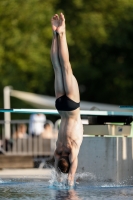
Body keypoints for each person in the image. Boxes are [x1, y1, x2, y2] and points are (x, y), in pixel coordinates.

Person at [51, 13, 83, 186]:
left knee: (66, 67)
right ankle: (55, 33)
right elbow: (58, 168)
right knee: (57, 68)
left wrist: (71, 179)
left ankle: (62, 32)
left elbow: (71, 172)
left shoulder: (71, 150)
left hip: (72, 107)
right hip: (61, 107)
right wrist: (60, 176)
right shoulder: (58, 151)